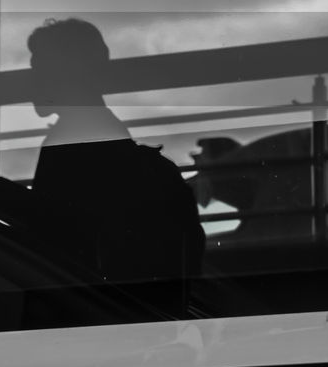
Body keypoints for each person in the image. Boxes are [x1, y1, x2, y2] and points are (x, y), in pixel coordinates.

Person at [27, 18, 204, 317]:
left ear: (66, 74)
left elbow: (57, 233)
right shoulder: (105, 137)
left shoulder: (74, 142)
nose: (32, 83)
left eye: (39, 71)